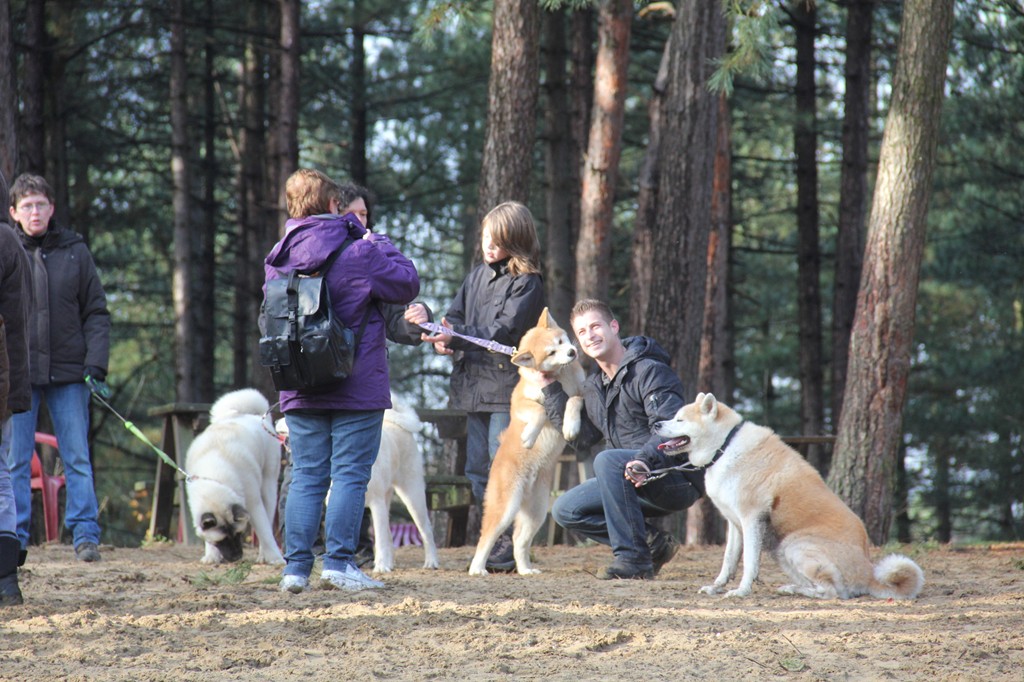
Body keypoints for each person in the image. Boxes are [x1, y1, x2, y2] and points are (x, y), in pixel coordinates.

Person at [266, 169, 420, 593]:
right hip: (355, 382)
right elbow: (407, 282)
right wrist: (380, 243)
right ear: (334, 205)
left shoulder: (277, 257)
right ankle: (338, 564)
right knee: (350, 474)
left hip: (300, 381)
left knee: (307, 475)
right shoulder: (360, 250)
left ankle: (295, 570)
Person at [421, 200, 546, 571]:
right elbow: (455, 316)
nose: (488, 246)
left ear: (517, 239)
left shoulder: (528, 283)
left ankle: (508, 546)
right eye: (485, 238)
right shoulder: (476, 276)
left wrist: (453, 334)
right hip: (472, 387)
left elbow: (501, 332)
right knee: (478, 470)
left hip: (506, 391)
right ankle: (492, 539)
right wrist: (444, 334)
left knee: (503, 467)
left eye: (497, 240)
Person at [542, 299, 704, 580]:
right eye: (581, 332)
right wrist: (550, 390)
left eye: (596, 326)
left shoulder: (650, 371)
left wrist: (642, 460)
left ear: (613, 326)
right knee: (566, 509)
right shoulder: (594, 386)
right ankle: (653, 544)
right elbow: (584, 441)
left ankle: (632, 560)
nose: (590, 335)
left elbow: (672, 430)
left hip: (673, 476)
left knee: (606, 460)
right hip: (628, 480)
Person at [7, 173, 110, 563]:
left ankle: (85, 535)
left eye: (41, 204)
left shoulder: (75, 251)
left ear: (51, 209)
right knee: (16, 460)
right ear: (14, 212)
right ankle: (13, 538)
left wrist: (95, 365)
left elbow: (96, 312)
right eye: (27, 205)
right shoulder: (7, 251)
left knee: (76, 456)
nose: (35, 212)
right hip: (20, 373)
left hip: (71, 373)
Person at [1, 169, 31, 605]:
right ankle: (6, 580)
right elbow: (17, 321)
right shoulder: (8, 241)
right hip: (3, 375)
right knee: (2, 476)